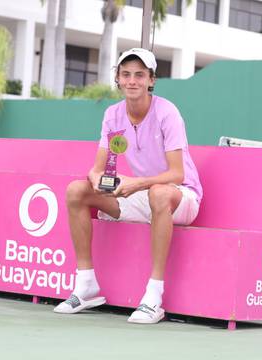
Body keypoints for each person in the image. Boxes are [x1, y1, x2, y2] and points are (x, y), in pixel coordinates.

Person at [54, 48, 203, 324]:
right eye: (126, 75)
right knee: (77, 191)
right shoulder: (113, 115)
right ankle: (86, 286)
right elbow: (97, 168)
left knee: (158, 194)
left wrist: (137, 184)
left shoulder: (167, 113)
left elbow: (177, 174)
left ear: (151, 80)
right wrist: (98, 180)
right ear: (118, 80)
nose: (132, 81)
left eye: (139, 75)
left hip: (182, 197)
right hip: (141, 195)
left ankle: (154, 297)